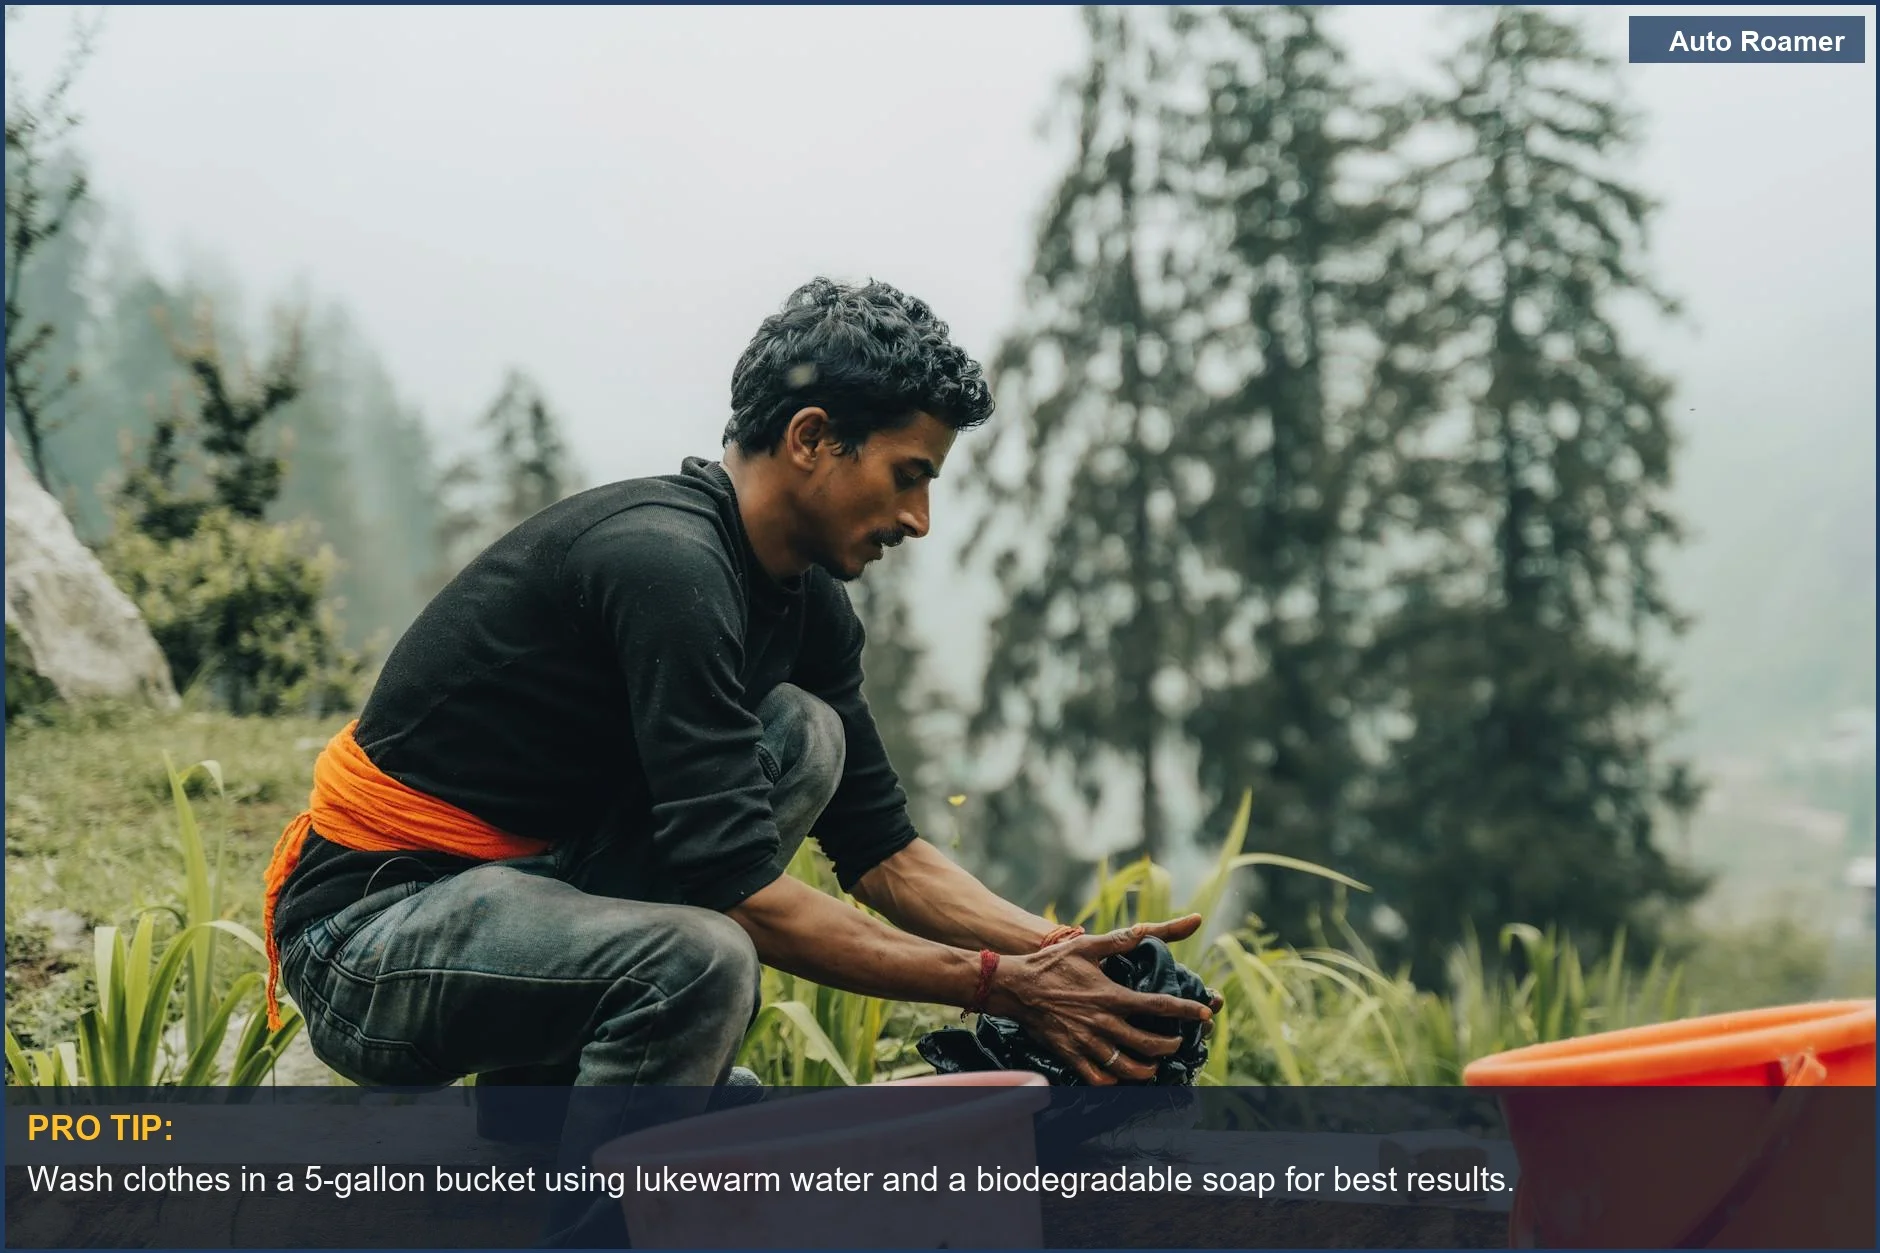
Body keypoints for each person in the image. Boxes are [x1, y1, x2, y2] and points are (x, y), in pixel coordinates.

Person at [262, 276, 1218, 1244]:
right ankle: (590, 1223)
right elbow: (737, 890)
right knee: (698, 959)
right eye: (907, 473)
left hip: (527, 907)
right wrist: (996, 984)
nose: (920, 517)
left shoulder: (801, 607)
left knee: (804, 735)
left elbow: (883, 850)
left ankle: (550, 1142)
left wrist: (1061, 958)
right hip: (369, 940)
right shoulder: (666, 566)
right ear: (809, 438)